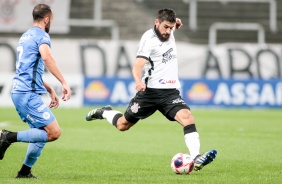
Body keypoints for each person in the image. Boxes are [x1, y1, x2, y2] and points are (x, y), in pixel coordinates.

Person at [85, 8, 217, 171]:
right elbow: (137, 66)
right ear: (156, 22)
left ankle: (196, 158)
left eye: (171, 28)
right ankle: (104, 112)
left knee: (187, 117)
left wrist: (177, 23)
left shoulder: (170, 27)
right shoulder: (149, 41)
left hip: (170, 92)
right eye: (165, 27)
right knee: (123, 125)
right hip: (149, 93)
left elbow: (175, 22)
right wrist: (138, 81)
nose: (168, 31)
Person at [0, 4, 71, 178]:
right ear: (46, 19)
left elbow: (30, 70)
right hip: (26, 93)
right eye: (51, 19)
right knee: (54, 133)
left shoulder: (25, 36)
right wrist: (63, 82)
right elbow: (47, 57)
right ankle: (8, 137)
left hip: (21, 90)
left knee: (41, 133)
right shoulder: (42, 36)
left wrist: (49, 90)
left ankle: (25, 172)